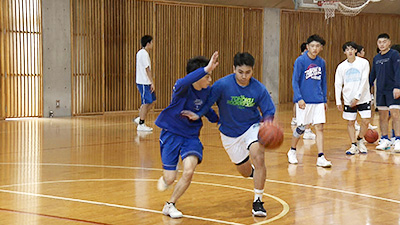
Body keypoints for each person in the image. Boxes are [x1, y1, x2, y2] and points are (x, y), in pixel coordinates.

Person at [182, 52, 276, 217]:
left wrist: (268, 122)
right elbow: (207, 102)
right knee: (244, 171)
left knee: (258, 155)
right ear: (234, 69)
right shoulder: (222, 85)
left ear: (252, 71)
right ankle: (255, 174)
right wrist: (198, 114)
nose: (244, 76)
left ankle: (258, 201)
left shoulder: (258, 88)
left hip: (251, 127)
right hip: (229, 134)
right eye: (240, 72)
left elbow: (269, 110)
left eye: (248, 72)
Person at [155, 52, 220, 219]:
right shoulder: (181, 88)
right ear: (197, 76)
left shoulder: (207, 92)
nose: (210, 79)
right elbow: (185, 80)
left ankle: (170, 204)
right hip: (171, 134)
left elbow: (208, 110)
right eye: (207, 76)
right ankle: (167, 180)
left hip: (191, 137)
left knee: (189, 171)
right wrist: (206, 68)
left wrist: (220, 121)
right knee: (170, 179)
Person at [287, 34, 332, 168]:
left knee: (319, 127)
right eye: (312, 46)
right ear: (307, 47)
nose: (314, 48)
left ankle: (321, 156)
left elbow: (323, 82)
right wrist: (299, 98)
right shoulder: (300, 61)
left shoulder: (322, 62)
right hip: (304, 101)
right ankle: (292, 150)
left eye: (317, 46)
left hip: (317, 100)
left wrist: (324, 99)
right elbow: (295, 81)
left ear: (321, 48)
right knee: (301, 127)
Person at [335, 42, 371, 155]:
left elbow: (365, 80)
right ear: (344, 52)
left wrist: (358, 97)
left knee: (366, 120)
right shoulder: (341, 67)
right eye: (347, 49)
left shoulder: (364, 63)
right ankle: (353, 144)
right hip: (348, 98)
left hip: (363, 97)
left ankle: (360, 139)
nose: (350, 51)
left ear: (356, 50)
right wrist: (338, 100)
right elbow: (338, 84)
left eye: (352, 49)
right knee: (351, 122)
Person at [369, 33, 400, 152]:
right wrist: (368, 87)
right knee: (382, 116)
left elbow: (398, 71)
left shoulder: (394, 54)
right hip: (380, 91)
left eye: (384, 42)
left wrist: (398, 87)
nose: (382, 44)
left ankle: (397, 139)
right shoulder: (376, 58)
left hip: (392, 90)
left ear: (389, 43)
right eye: (379, 42)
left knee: (395, 115)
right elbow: (373, 75)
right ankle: (384, 139)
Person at [291, 42, 316, 140]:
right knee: (306, 108)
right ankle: (307, 129)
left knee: (297, 103)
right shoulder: (303, 61)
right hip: (304, 87)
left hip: (300, 87)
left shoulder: (301, 60)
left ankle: (296, 120)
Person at [134, 35, 156, 131]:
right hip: (144, 82)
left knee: (152, 102)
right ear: (148, 43)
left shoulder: (142, 53)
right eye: (152, 42)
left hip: (145, 81)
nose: (152, 44)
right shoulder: (143, 54)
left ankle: (140, 118)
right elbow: (147, 69)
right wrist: (152, 82)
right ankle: (141, 124)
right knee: (146, 102)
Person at [354, 44, 378, 131]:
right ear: (359, 53)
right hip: (356, 88)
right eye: (363, 51)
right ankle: (355, 123)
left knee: (364, 108)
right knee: (355, 106)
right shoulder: (354, 63)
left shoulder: (364, 62)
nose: (364, 52)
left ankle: (367, 124)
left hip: (364, 88)